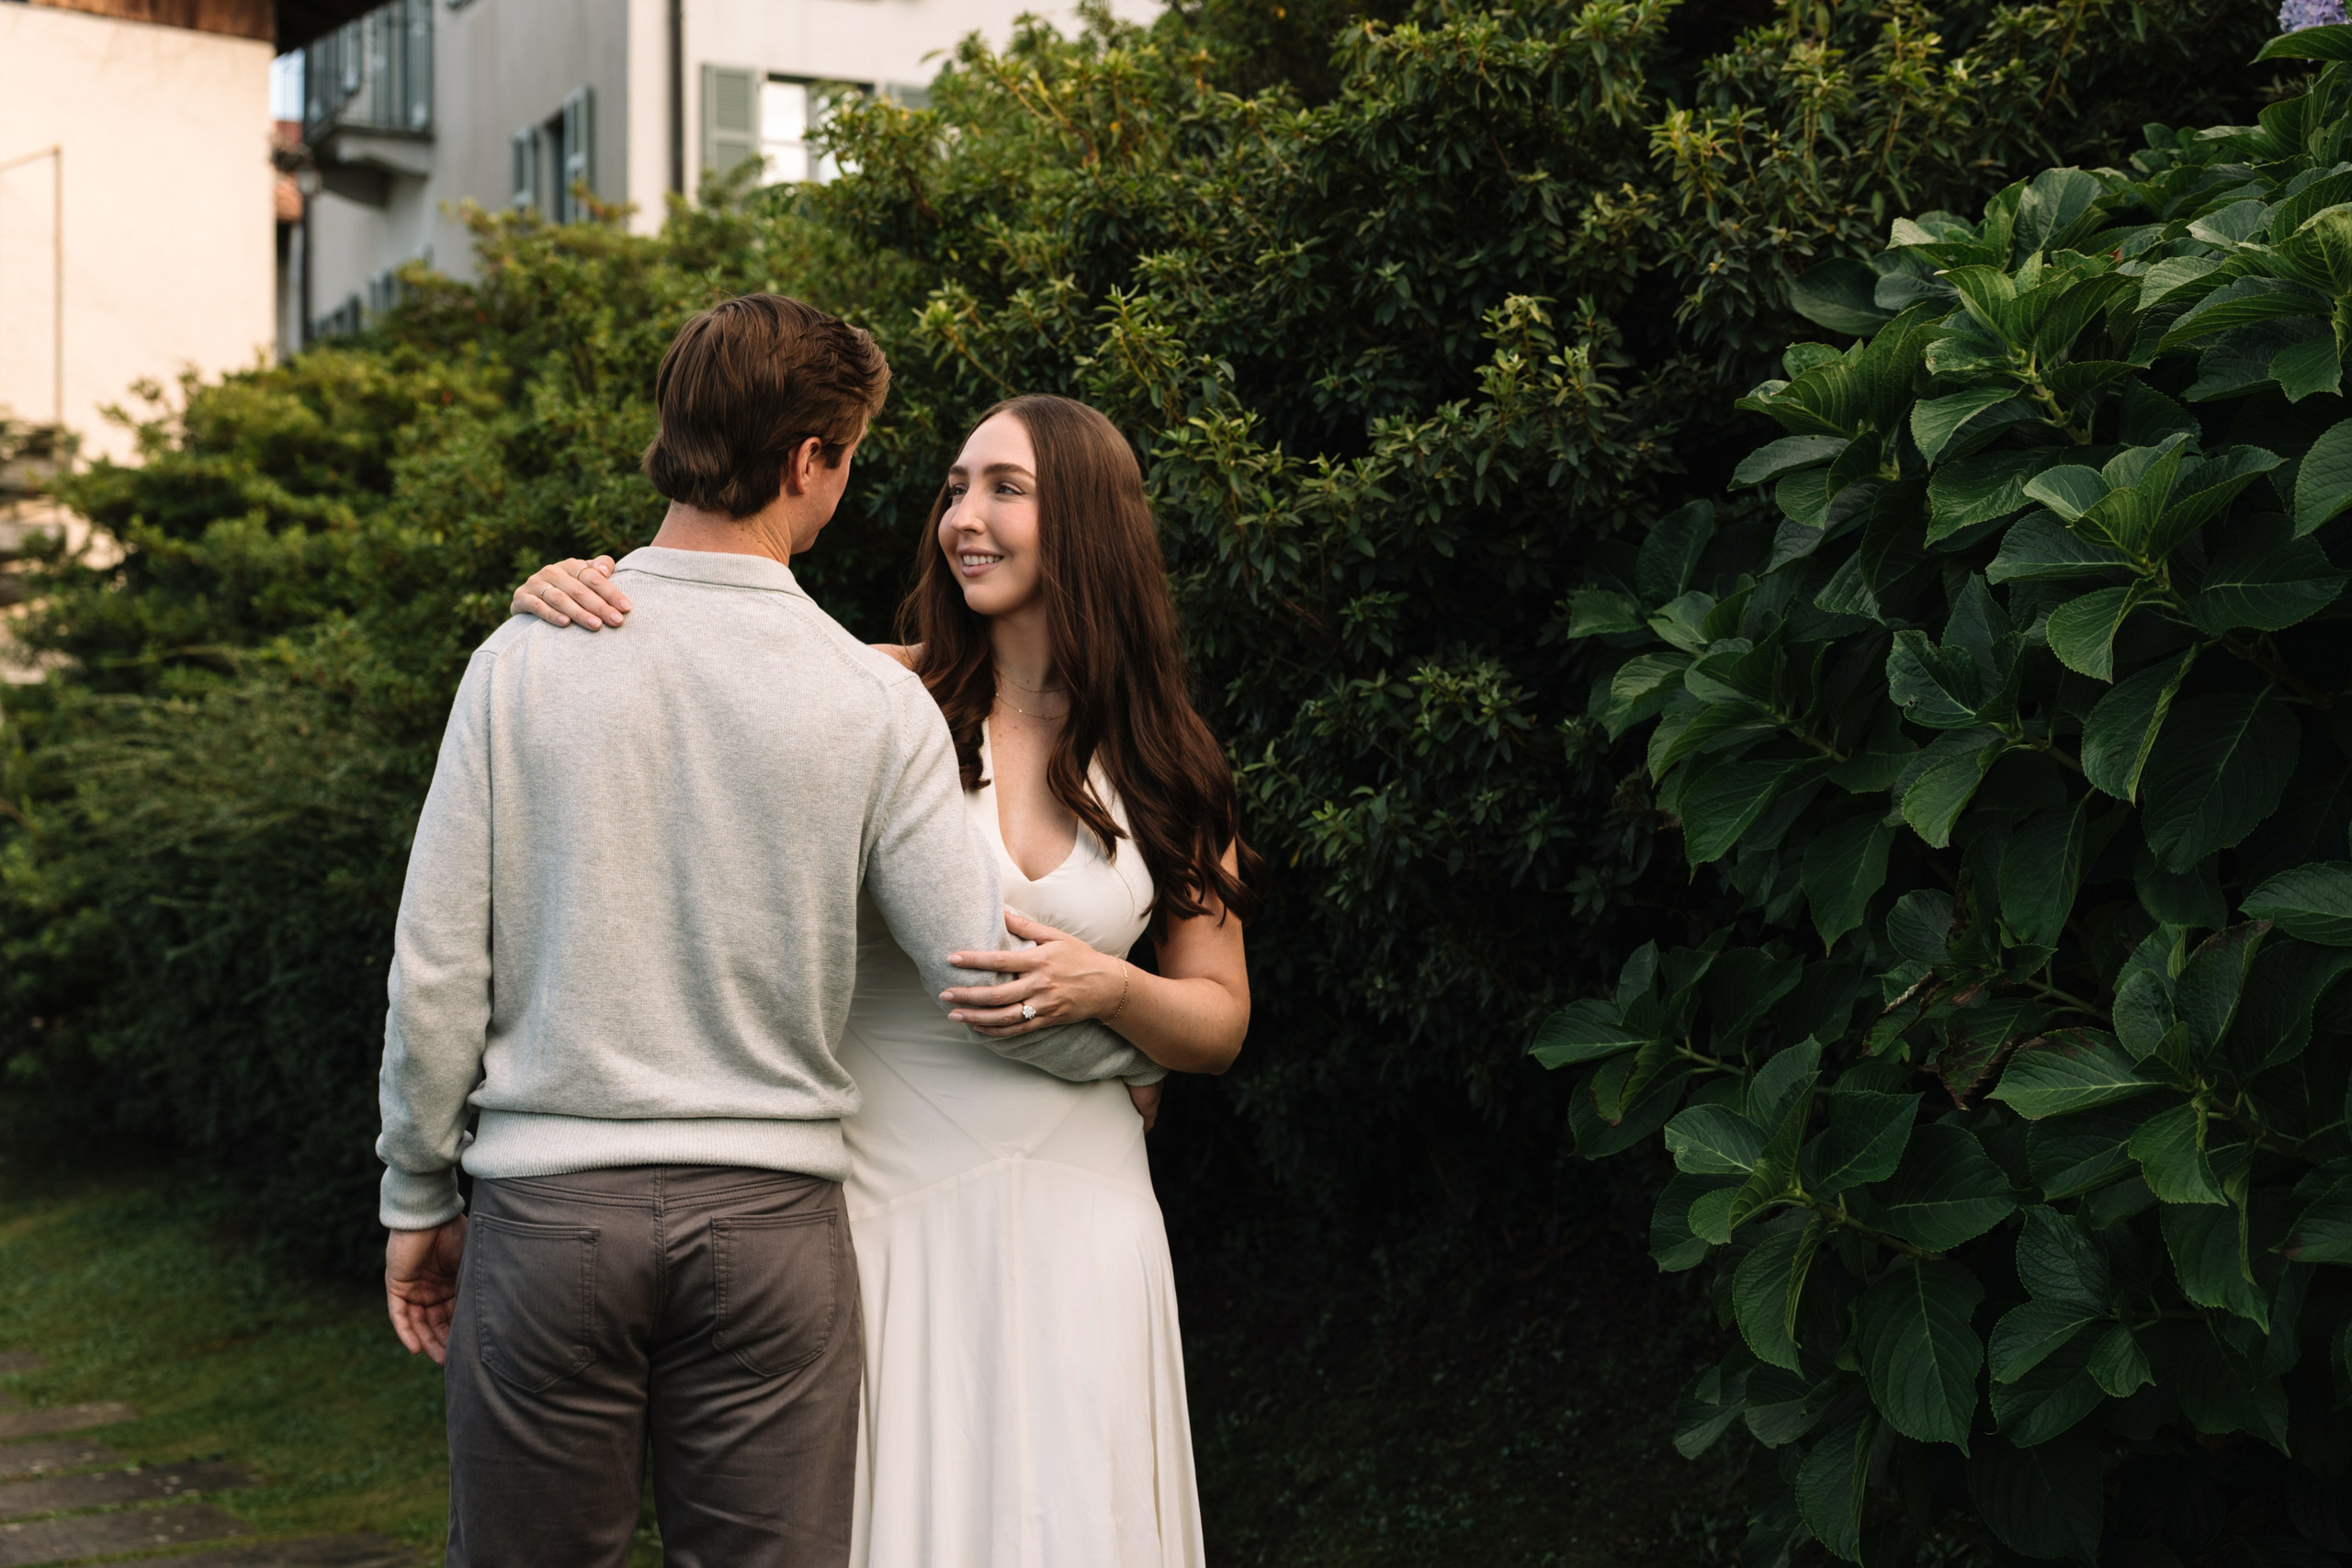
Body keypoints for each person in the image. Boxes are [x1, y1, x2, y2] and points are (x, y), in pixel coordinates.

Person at [377, 297, 1157, 1568]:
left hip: (551, 1216)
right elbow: (981, 973)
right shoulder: (872, 700)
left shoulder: (522, 661)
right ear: (807, 462)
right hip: (774, 1233)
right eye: (849, 458)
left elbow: (437, 971)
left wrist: (417, 1190)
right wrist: (1135, 1054)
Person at [511, 392, 1261, 1567]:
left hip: (1086, 1210)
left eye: (1005, 489)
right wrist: (565, 601)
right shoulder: (868, 690)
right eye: (954, 489)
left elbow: (1216, 1019)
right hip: (881, 1197)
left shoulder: (1169, 759)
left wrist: (1113, 996)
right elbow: (681, 674)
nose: (964, 517)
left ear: (1089, 521)